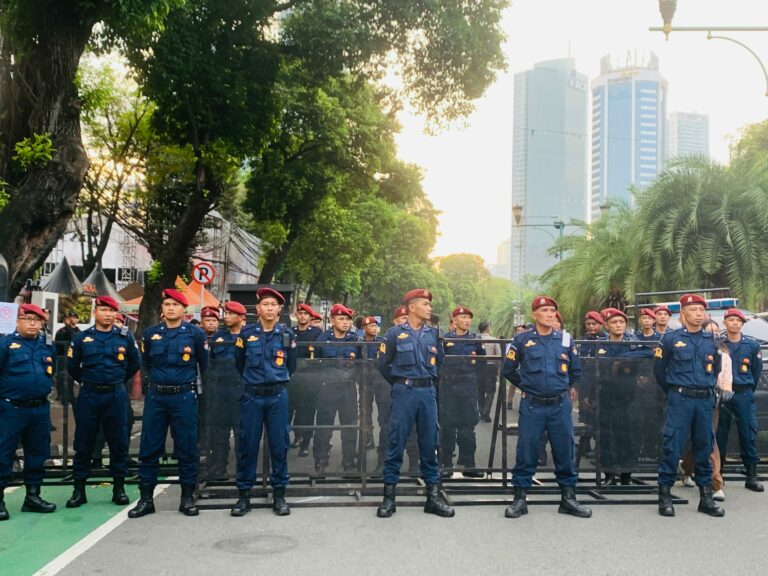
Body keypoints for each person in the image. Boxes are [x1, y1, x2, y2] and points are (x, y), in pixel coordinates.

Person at [502, 296, 591, 519]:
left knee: (565, 450)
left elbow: (576, 371)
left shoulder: (565, 339)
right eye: (545, 310)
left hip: (559, 405)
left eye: (553, 310)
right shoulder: (521, 340)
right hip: (533, 405)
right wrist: (528, 387)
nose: (551, 314)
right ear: (535, 315)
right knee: (527, 450)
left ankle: (568, 498)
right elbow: (508, 370)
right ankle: (520, 499)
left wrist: (562, 388)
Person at [129, 289, 209, 518]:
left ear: (184, 309)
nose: (171, 308)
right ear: (162, 309)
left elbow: (204, 366)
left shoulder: (195, 334)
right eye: (167, 304)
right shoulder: (151, 334)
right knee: (149, 447)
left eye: (175, 304)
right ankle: (146, 499)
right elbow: (145, 364)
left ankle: (186, 498)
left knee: (186, 447)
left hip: (184, 396)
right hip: (157, 397)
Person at [376, 289, 454, 518]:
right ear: (412, 307)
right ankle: (389, 498)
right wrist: (401, 383)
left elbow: (439, 362)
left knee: (430, 444)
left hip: (427, 392)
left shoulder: (434, 334)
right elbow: (382, 364)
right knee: (396, 441)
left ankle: (432, 497)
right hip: (404, 392)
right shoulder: (393, 333)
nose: (430, 308)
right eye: (425, 304)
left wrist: (424, 380)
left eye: (429, 304)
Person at [65, 296, 141, 508]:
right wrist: (88, 381)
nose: (107, 314)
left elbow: (134, 363)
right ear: (95, 312)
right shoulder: (82, 338)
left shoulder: (124, 337)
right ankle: (79, 490)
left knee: (118, 442)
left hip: (115, 394)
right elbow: (72, 366)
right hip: (90, 394)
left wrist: (115, 380)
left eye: (111, 311)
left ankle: (119, 488)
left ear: (116, 314)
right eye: (103, 309)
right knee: (83, 442)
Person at [654, 294, 724, 517]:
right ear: (683, 313)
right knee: (672, 446)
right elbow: (659, 371)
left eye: (701, 310)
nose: (698, 314)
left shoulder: (711, 341)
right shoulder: (670, 339)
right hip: (680, 400)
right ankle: (665, 497)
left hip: (704, 400)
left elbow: (716, 369)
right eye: (693, 310)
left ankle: (706, 498)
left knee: (704, 447)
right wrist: (676, 391)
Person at [230, 288, 296, 517]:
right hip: (252, 396)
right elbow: (239, 364)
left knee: (279, 445)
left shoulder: (287, 335)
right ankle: (244, 496)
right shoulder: (246, 335)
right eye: (265, 304)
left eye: (273, 305)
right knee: (248, 446)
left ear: (279, 309)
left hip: (277, 396)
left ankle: (279, 496)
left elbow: (292, 367)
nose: (269, 308)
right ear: (257, 309)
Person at [0, 304, 58, 521]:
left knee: (37, 453)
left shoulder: (46, 346)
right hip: (11, 409)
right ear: (17, 321)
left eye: (37, 320)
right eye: (28, 319)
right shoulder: (6, 345)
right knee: (3, 454)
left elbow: (52, 371)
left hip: (39, 409)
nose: (33, 323)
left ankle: (32, 496)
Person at [594, 308, 653, 485]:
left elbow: (648, 352)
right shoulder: (601, 344)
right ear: (606, 325)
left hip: (628, 397)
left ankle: (626, 474)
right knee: (605, 436)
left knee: (626, 436)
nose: (618, 325)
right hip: (604, 395)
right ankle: (608, 474)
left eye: (621, 322)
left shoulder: (633, 343)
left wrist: (622, 359)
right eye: (614, 322)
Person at [679, 319, 729, 500]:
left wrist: (726, 390)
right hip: (689, 398)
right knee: (695, 439)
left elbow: (724, 374)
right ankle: (686, 468)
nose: (714, 334)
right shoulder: (690, 348)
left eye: (716, 331)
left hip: (712, 400)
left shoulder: (723, 352)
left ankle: (715, 483)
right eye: (710, 331)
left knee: (709, 440)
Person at [716, 308, 764, 493]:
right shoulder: (719, 344)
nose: (734, 323)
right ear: (725, 323)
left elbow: (756, 370)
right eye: (731, 320)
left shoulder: (751, 345)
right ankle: (719, 474)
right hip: (723, 395)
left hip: (743, 393)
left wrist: (745, 389)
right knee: (720, 434)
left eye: (738, 320)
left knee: (748, 432)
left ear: (742, 324)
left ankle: (751, 475)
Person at [313, 304, 361, 475]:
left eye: (348, 319)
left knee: (349, 426)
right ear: (332, 320)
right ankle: (320, 460)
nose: (345, 322)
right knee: (324, 426)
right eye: (341, 318)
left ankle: (349, 462)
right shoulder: (322, 339)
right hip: (328, 389)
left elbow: (361, 365)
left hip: (348, 389)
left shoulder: (355, 340)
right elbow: (316, 362)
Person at [205, 301, 247, 480]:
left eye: (230, 314)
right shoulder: (218, 337)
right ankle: (219, 467)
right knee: (219, 431)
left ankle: (242, 469)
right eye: (226, 313)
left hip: (241, 389)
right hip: (220, 390)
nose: (226, 317)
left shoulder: (248, 336)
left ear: (241, 317)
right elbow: (209, 362)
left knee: (241, 432)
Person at [441, 306, 485, 478]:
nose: (467, 320)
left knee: (467, 427)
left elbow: (482, 363)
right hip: (449, 387)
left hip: (467, 387)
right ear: (454, 320)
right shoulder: (445, 339)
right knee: (447, 426)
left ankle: (469, 463)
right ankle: (447, 464)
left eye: (469, 317)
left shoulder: (475, 339)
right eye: (463, 317)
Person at [290, 303, 322, 456]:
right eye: (300, 313)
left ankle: (305, 444)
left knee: (308, 412)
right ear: (296, 316)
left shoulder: (316, 333)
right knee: (289, 411)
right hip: (292, 377)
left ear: (310, 317)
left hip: (310, 378)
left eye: (305, 314)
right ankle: (292, 438)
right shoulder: (290, 332)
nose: (302, 316)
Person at [361, 316, 384, 453]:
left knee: (383, 411)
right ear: (364, 328)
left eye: (376, 326)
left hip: (379, 381)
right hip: (365, 381)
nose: (374, 328)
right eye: (371, 326)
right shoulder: (359, 343)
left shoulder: (381, 342)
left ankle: (383, 440)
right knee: (365, 411)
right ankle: (368, 437)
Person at [477, 321, 501, 422]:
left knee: (480, 390)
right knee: (490, 391)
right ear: (487, 329)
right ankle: (485, 413)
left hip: (478, 367)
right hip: (491, 366)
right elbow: (498, 355)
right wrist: (498, 367)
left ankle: (482, 412)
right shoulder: (493, 340)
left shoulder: (475, 340)